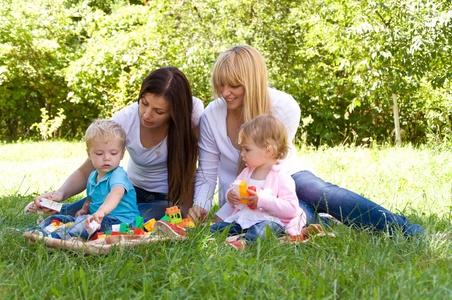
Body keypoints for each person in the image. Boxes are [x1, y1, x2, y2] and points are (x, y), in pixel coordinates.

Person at [190, 45, 424, 237]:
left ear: (252, 83)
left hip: (285, 175)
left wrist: (268, 195)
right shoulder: (212, 114)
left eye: (234, 85)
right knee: (298, 214)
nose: (225, 92)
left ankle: (402, 229)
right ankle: (324, 221)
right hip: (241, 198)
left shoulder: (283, 106)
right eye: (220, 84)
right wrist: (201, 205)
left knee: (317, 191)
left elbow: (272, 162)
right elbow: (207, 171)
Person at [26, 67, 203, 219]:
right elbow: (88, 168)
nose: (147, 115)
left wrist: (185, 211)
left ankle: (72, 215)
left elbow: (190, 168)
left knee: (124, 219)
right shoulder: (126, 119)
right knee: (89, 208)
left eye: (158, 111)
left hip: (165, 198)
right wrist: (61, 193)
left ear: (175, 112)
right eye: (144, 103)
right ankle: (60, 208)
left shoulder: (190, 117)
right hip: (127, 190)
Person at [28, 119, 140, 240]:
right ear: (89, 154)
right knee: (62, 219)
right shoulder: (93, 176)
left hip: (119, 222)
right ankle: (37, 231)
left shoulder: (118, 174)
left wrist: (101, 211)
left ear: (122, 154)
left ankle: (55, 237)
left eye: (113, 153)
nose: (107, 158)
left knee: (81, 224)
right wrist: (85, 209)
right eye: (99, 154)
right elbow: (91, 198)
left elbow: (116, 193)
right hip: (96, 218)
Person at [210, 115, 307, 248]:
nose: (242, 154)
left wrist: (262, 201)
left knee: (262, 230)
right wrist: (231, 195)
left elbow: (291, 209)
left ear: (268, 150)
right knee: (220, 227)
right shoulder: (247, 172)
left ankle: (244, 243)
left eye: (247, 149)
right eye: (242, 149)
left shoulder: (281, 177)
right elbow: (234, 188)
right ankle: (188, 233)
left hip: (269, 221)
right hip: (244, 219)